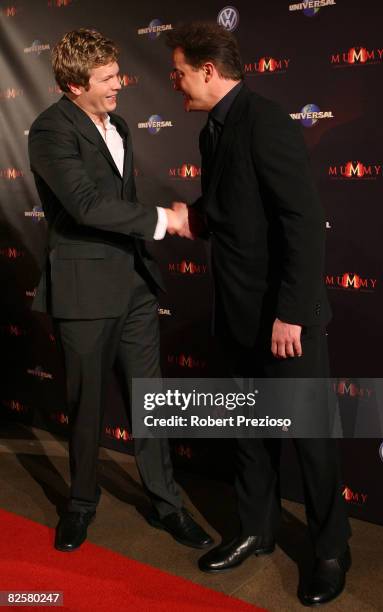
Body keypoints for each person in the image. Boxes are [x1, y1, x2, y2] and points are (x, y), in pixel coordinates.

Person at [166, 22, 351, 606]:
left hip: (284, 318)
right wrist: (188, 217)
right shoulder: (213, 131)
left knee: (311, 438)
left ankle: (329, 549)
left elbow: (303, 223)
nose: (175, 83)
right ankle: (256, 530)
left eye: (180, 73)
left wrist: (292, 314)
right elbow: (230, 207)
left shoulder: (266, 120)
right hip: (240, 312)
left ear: (208, 71)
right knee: (250, 432)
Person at [28, 28, 212, 553]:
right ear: (72, 85)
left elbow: (119, 201)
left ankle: (167, 505)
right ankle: (81, 504)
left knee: (151, 405)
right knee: (85, 406)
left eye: (117, 74)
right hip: (85, 291)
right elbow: (86, 205)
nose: (119, 86)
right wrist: (166, 220)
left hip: (133, 286)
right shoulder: (49, 132)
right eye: (107, 79)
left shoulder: (122, 125)